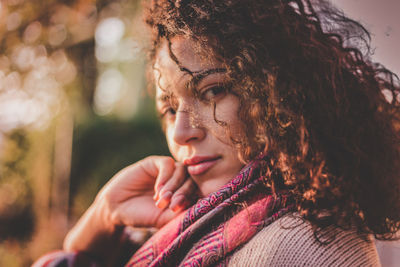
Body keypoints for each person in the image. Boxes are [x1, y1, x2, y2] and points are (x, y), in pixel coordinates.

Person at [33, 0, 400, 266]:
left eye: (212, 91)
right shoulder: (181, 231)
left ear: (280, 91)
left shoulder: (311, 247)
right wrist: (103, 219)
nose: (180, 133)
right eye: (169, 108)